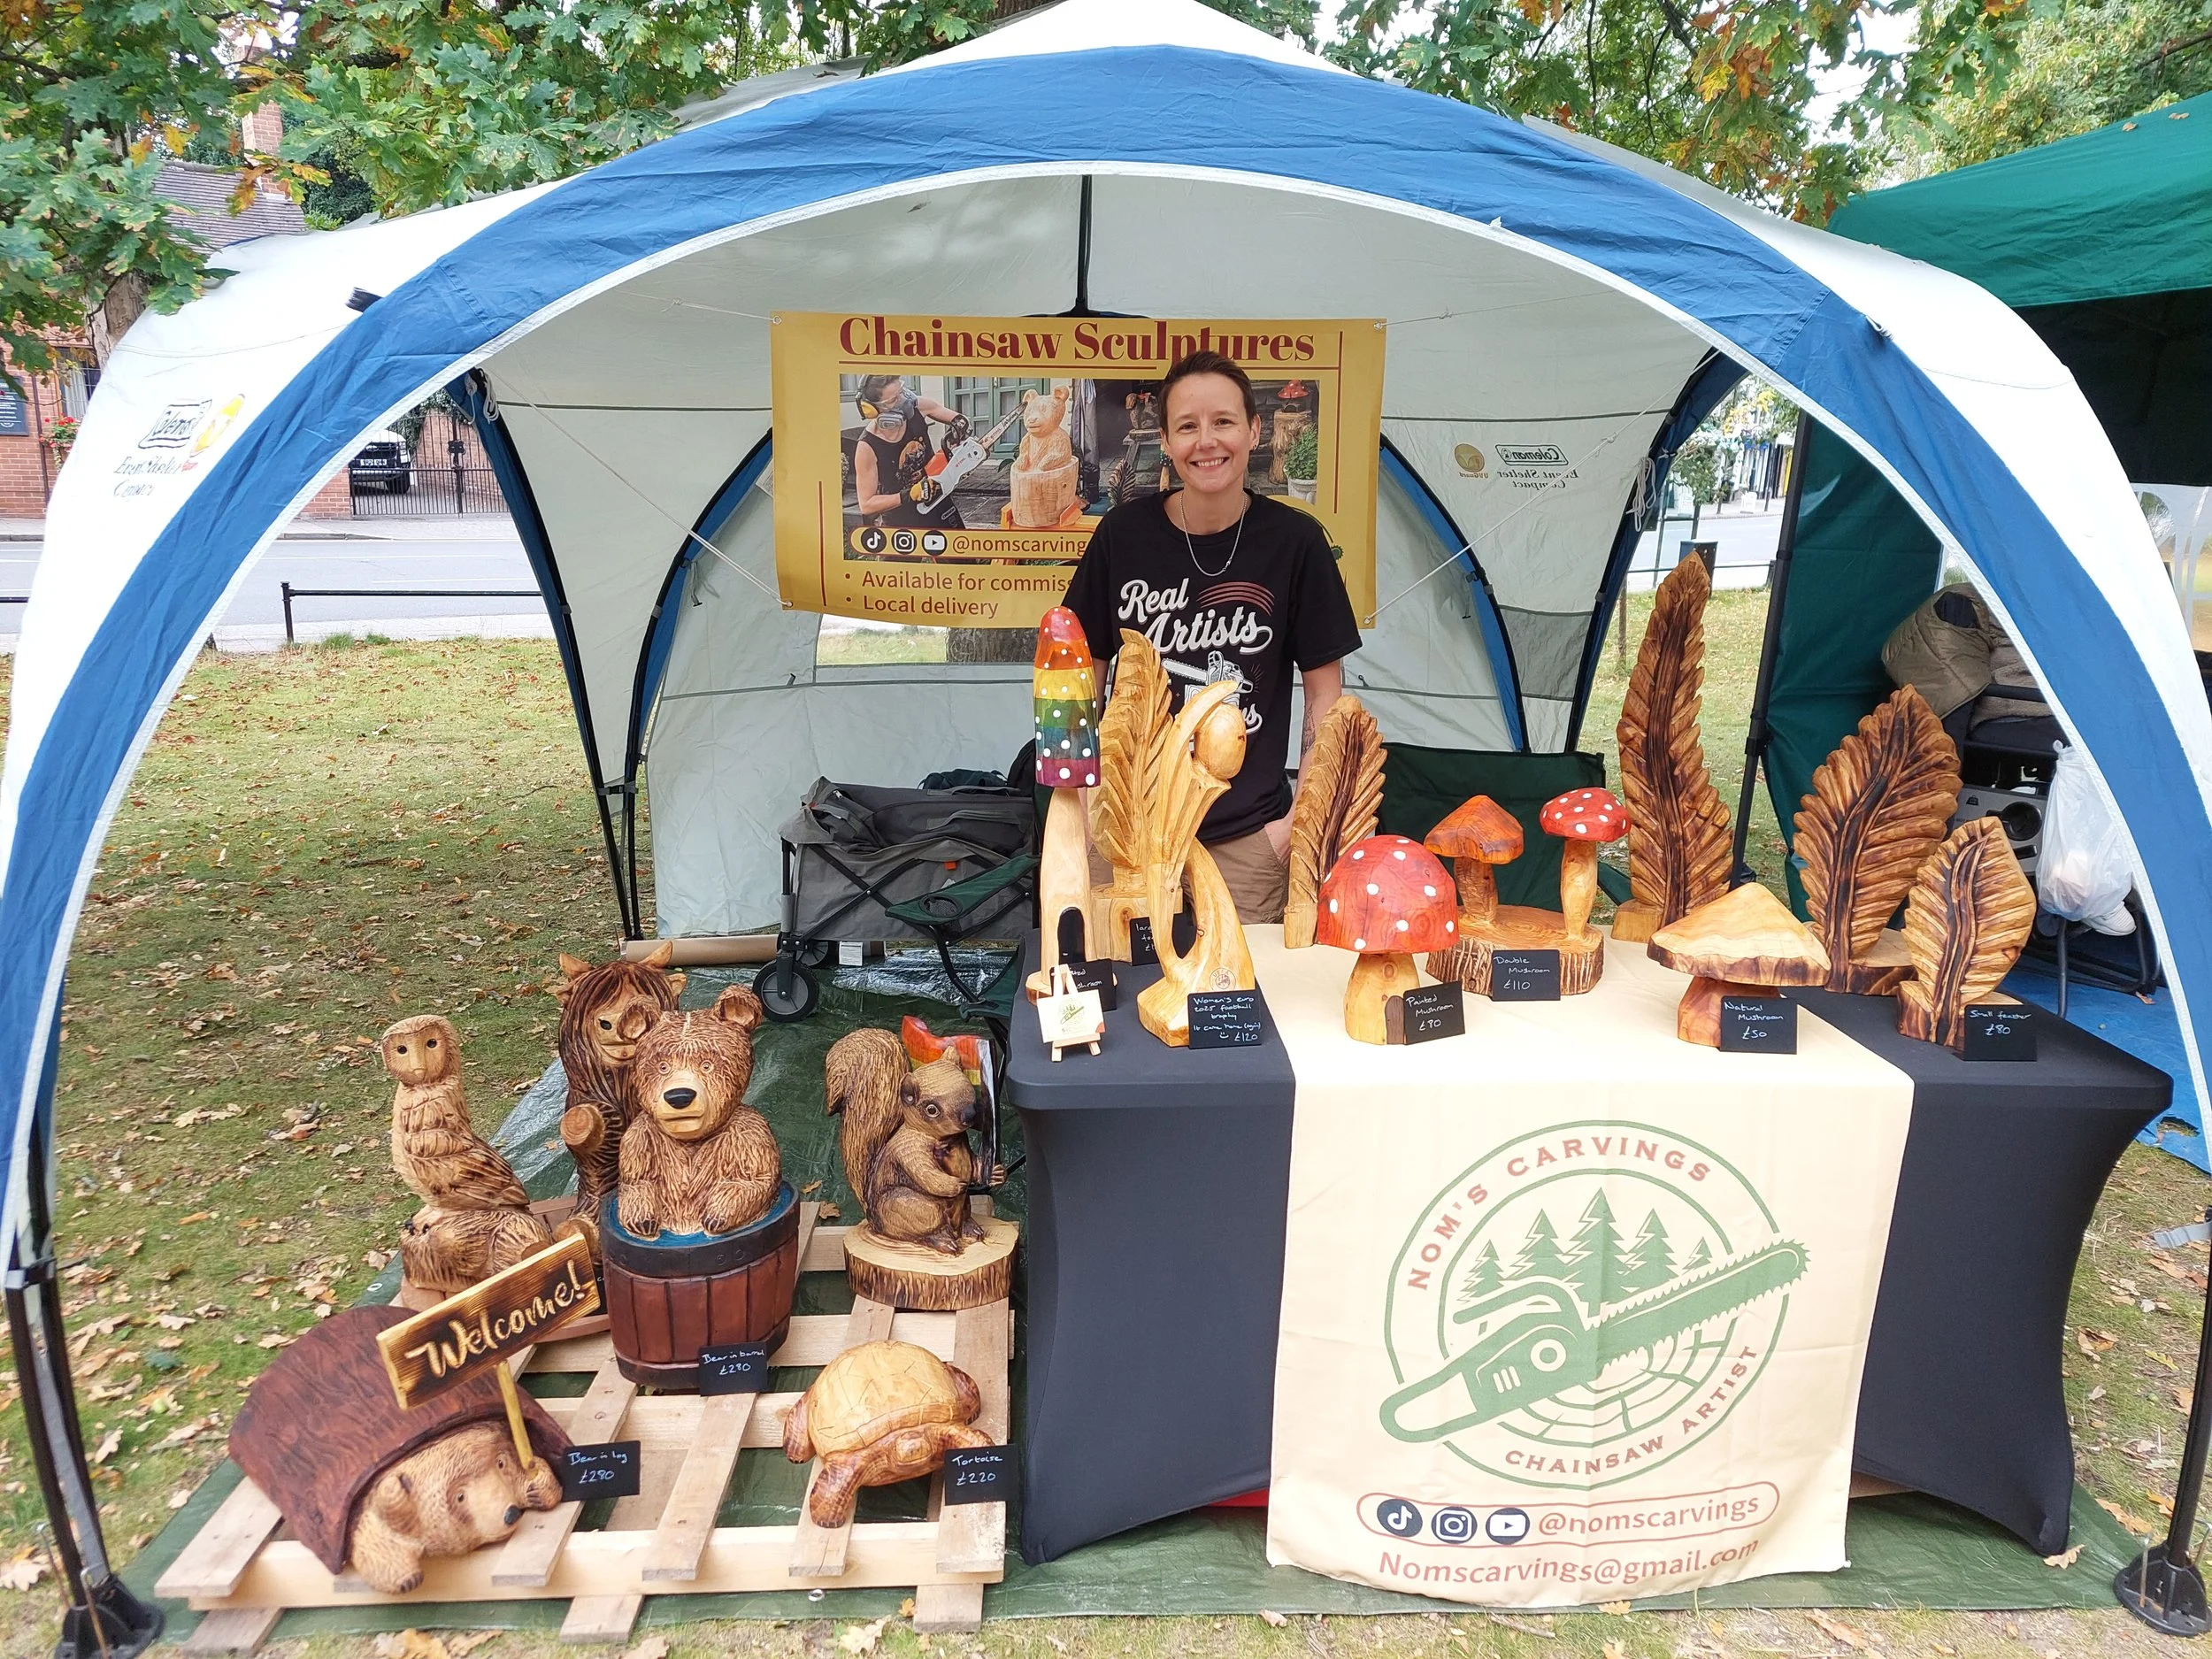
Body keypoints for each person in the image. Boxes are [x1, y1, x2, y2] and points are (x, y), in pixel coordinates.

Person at [1061, 350, 1361, 923]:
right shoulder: (1123, 535)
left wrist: (1296, 820)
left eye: (1223, 422)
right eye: (1188, 426)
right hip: (1128, 834)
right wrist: (1084, 798)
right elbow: (1082, 669)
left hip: (1249, 842)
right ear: (1168, 442)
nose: (1207, 441)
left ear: (1253, 431)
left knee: (1237, 1004)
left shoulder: (1295, 543)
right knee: (1121, 998)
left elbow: (1326, 691)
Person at [849, 374, 968, 529]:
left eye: (901, 391)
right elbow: (867, 505)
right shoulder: (867, 447)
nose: (903, 401)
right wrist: (910, 494)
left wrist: (960, 433)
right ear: (872, 409)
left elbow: (956, 419)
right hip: (900, 518)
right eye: (893, 400)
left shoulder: (919, 407)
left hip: (938, 500)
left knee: (960, 551)